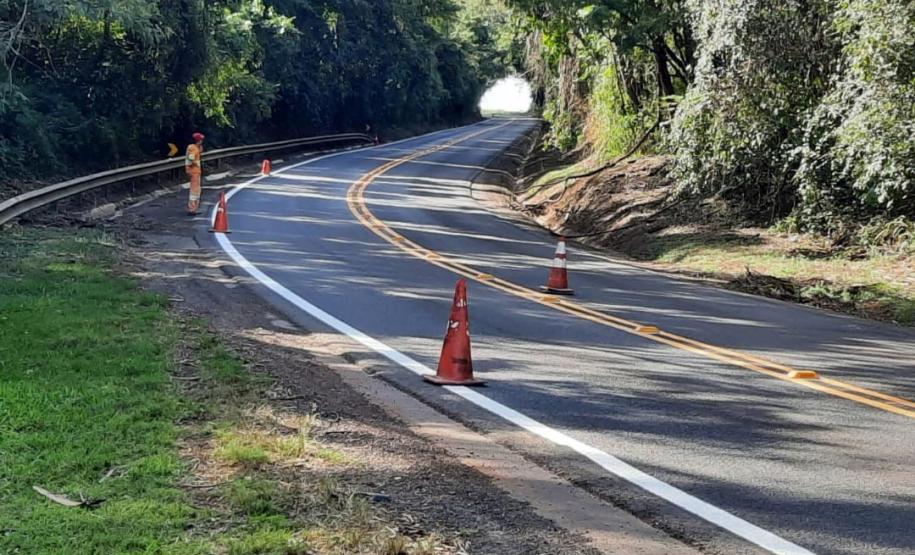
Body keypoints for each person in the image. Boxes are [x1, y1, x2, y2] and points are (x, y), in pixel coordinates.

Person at [185, 132, 205, 214]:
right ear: (198, 140)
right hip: (194, 171)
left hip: (194, 171)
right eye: (201, 140)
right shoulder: (193, 148)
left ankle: (194, 208)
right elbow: (191, 158)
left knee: (196, 190)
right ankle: (192, 209)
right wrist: (195, 163)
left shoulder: (194, 147)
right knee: (194, 190)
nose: (202, 141)